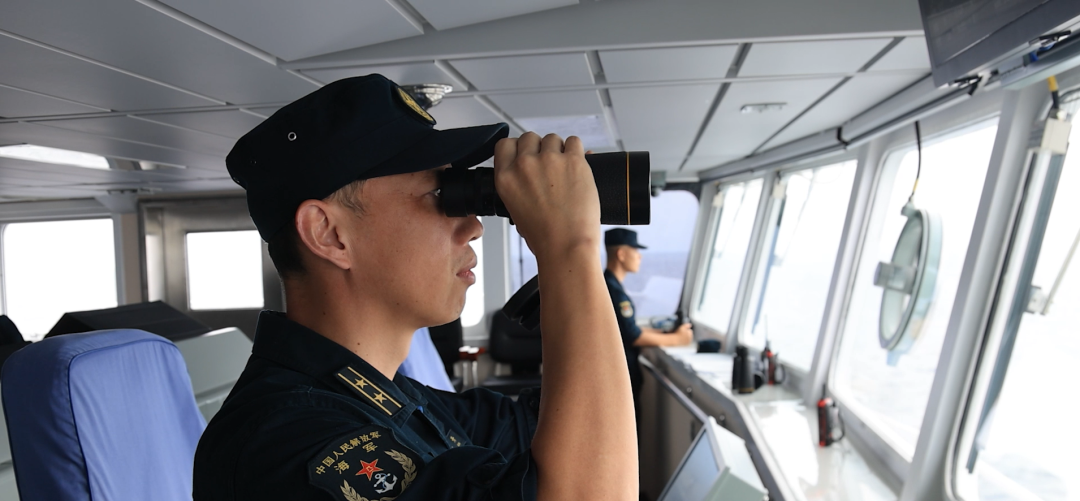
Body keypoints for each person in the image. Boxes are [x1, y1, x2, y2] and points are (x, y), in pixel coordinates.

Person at [192, 74, 636, 501]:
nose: (474, 227)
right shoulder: (286, 443)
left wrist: (564, 239)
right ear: (329, 233)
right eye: (440, 195)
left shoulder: (389, 397)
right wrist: (568, 248)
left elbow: (573, 434)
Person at [603, 228, 693, 398]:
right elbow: (632, 335)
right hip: (621, 374)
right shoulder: (614, 291)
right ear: (621, 254)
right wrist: (677, 339)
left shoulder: (608, 285)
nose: (640, 256)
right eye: (635, 250)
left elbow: (625, 328)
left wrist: (664, 333)